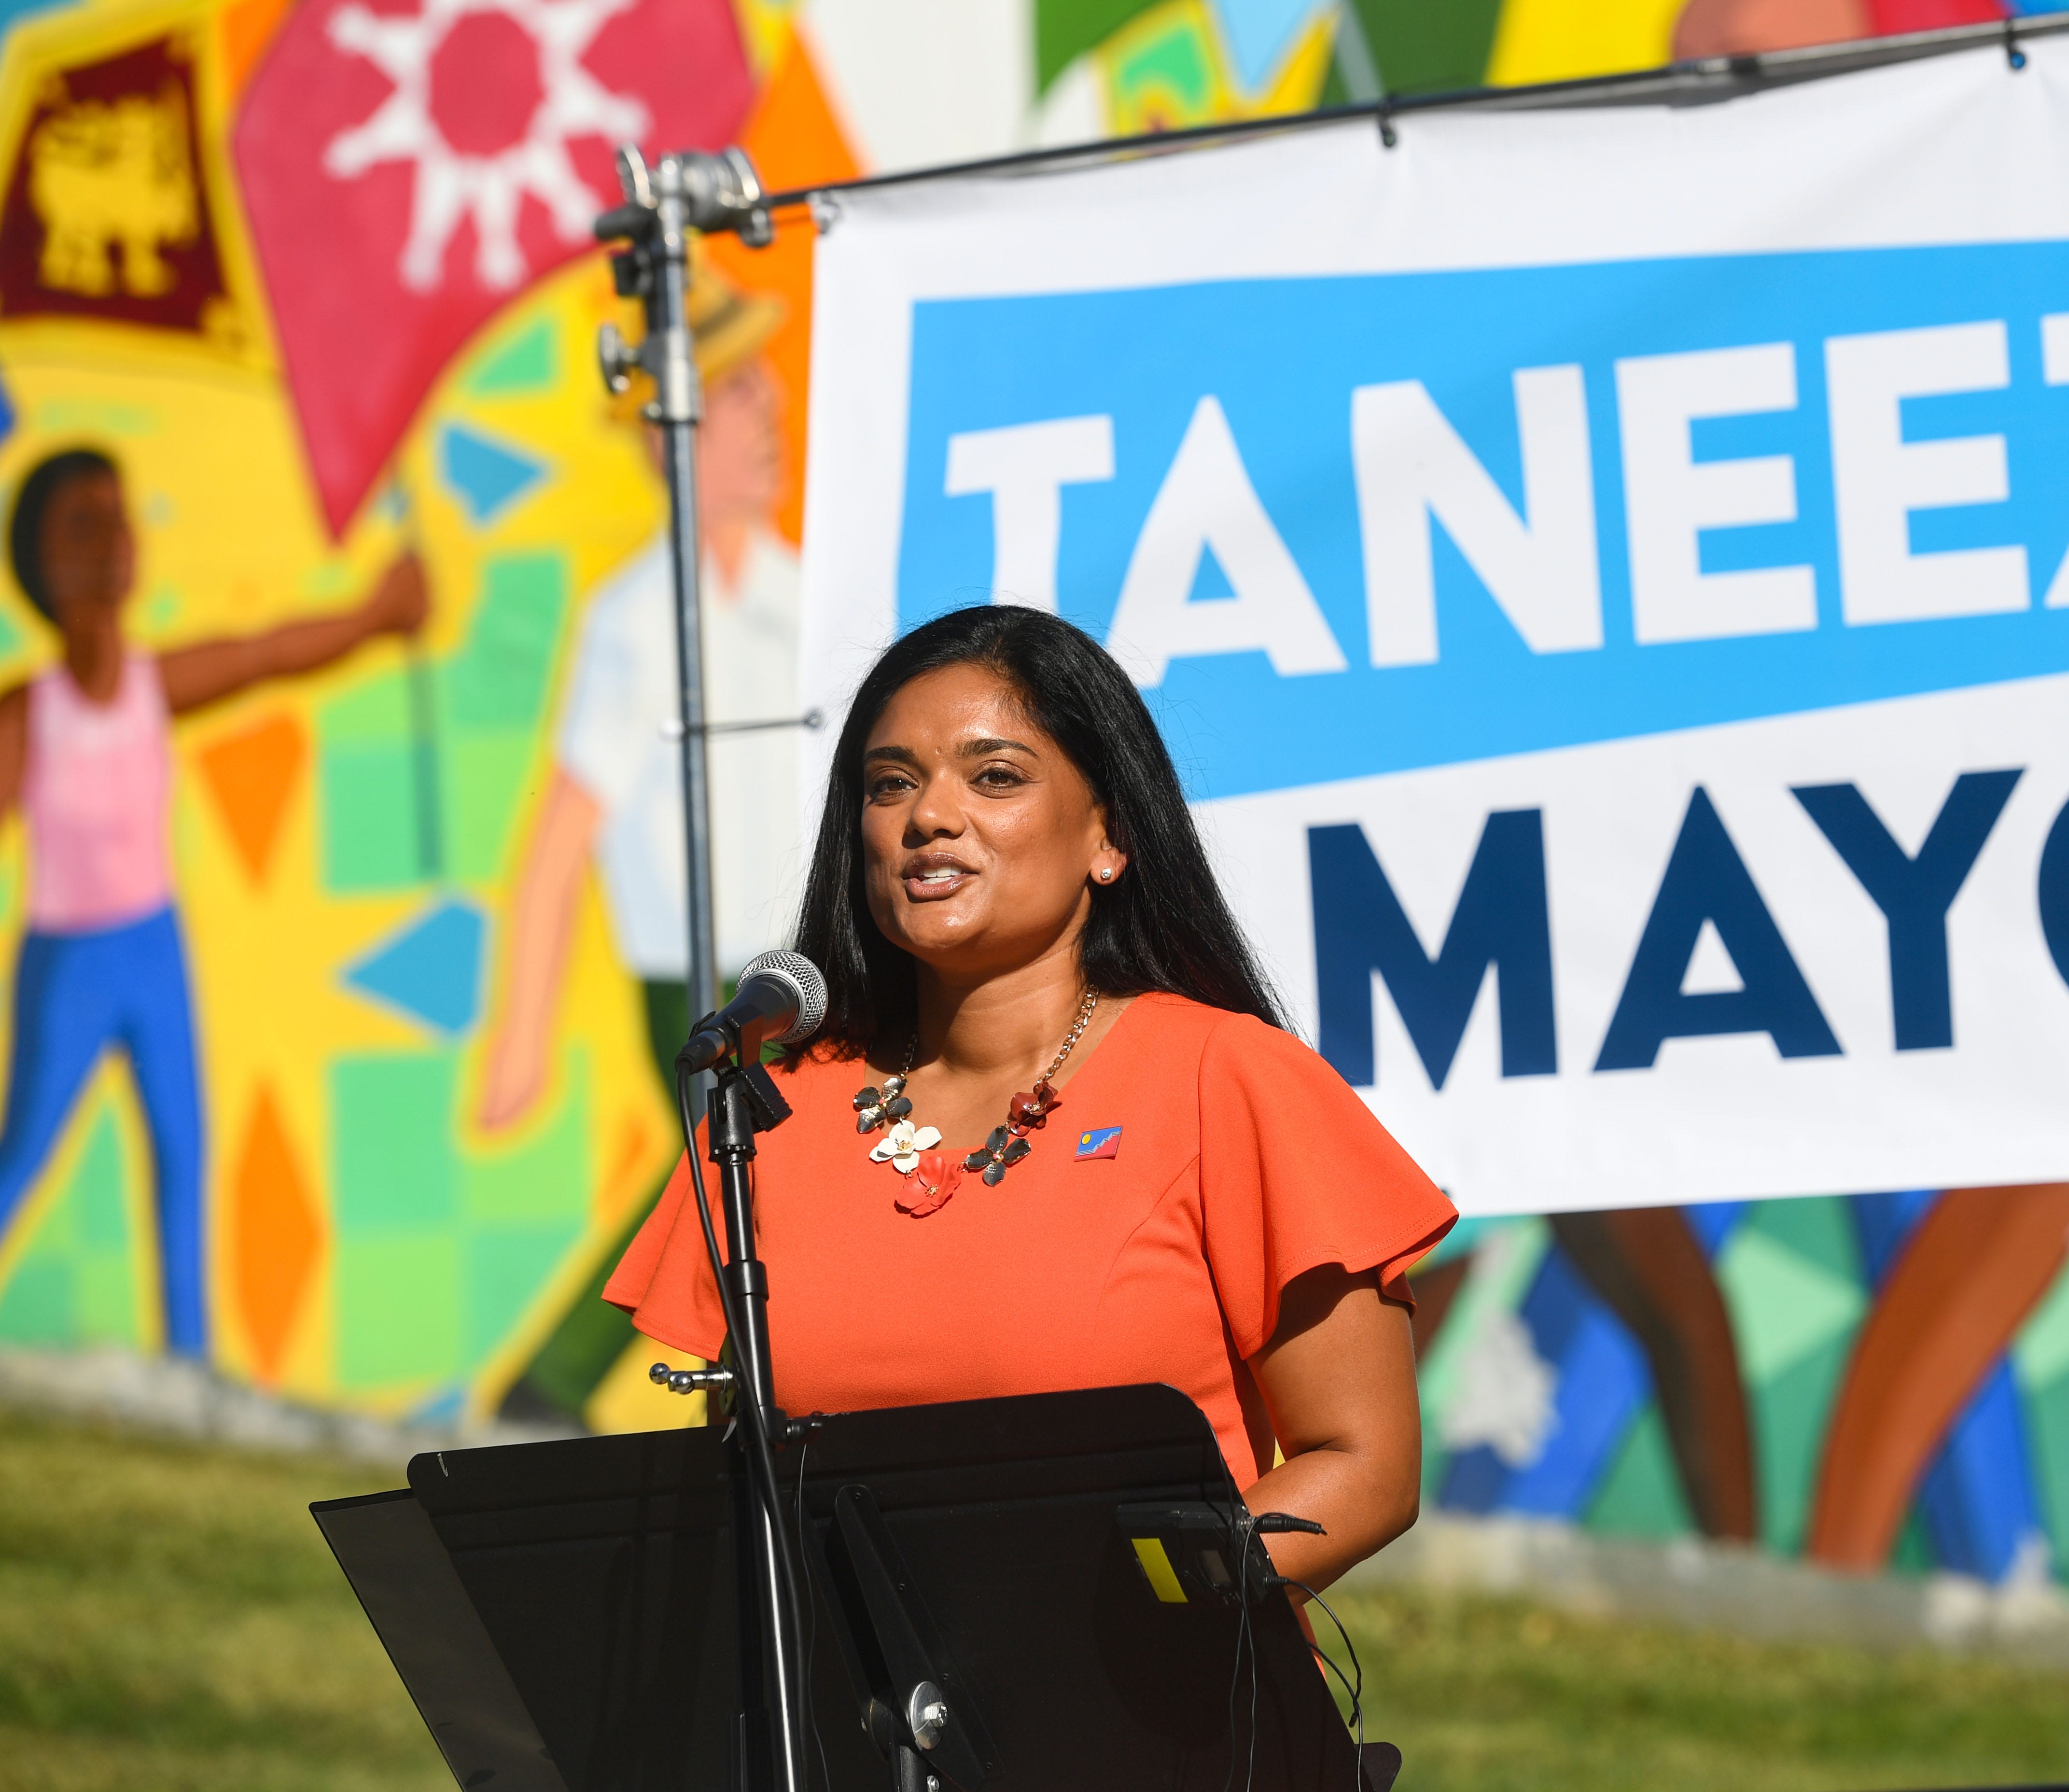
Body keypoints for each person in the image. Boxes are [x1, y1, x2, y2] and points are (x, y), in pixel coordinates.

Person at [604, 604, 1455, 1587]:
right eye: (890, 784)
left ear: (1109, 835)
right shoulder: (771, 1114)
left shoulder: (1228, 1078)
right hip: (851, 1690)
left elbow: (1364, 1467)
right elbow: (742, 1497)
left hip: (1149, 1671)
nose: (929, 816)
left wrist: (1126, 1616)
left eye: (996, 776)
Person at [0, 445, 427, 1355]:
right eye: (84, 525)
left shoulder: (150, 685)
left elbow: (268, 653)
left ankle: (190, 1367)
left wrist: (375, 617)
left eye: (120, 519)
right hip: (68, 965)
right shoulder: (29, 716)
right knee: (23, 1152)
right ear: (40, 558)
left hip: (154, 950)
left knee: (183, 1154)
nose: (114, 542)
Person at [479, 267, 804, 1129]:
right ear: (669, 437)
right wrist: (524, 1034)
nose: (769, 406)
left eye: (759, 380)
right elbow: (565, 830)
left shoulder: (808, 597)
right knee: (728, 1175)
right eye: (735, 389)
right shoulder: (636, 620)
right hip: (701, 980)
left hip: (815, 968)